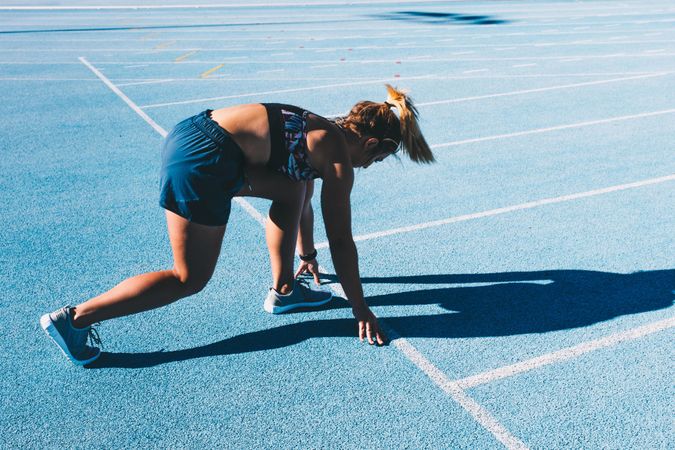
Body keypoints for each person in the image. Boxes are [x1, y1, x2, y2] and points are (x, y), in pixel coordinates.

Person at [40, 84, 435, 366]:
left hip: (195, 133)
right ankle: (75, 319)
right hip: (207, 160)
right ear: (371, 145)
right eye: (378, 161)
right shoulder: (337, 160)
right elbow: (343, 241)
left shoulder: (324, 131)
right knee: (188, 278)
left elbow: (301, 197)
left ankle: (284, 290)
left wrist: (308, 255)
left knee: (291, 189)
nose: (368, 168)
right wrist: (360, 308)